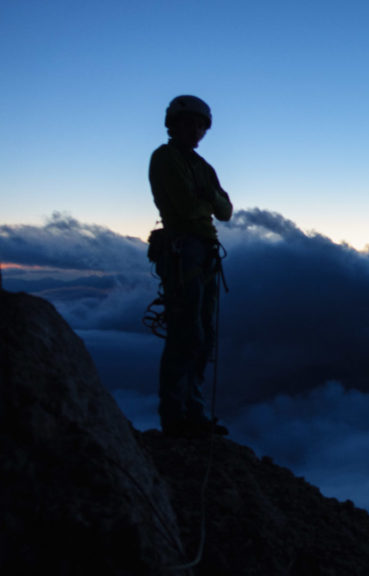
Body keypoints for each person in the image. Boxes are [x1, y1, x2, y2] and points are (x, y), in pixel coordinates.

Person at [149, 95, 232, 437]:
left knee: (203, 335)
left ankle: (193, 412)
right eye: (189, 123)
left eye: (200, 125)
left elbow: (225, 211)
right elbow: (184, 207)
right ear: (173, 124)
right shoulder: (165, 158)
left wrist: (207, 200)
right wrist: (208, 201)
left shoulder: (203, 166)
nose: (196, 130)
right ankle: (176, 417)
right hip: (183, 251)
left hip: (202, 252)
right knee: (187, 333)